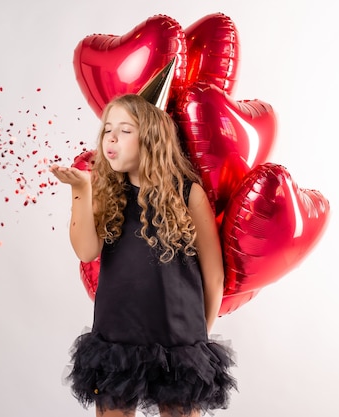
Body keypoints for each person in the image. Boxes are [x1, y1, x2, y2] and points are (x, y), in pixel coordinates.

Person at [50, 94, 236, 417]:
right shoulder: (106, 192)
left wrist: (197, 343)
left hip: (179, 341)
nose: (111, 138)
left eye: (125, 130)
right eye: (108, 129)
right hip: (117, 339)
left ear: (150, 137)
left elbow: (214, 275)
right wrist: (81, 190)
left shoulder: (188, 194)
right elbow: (86, 250)